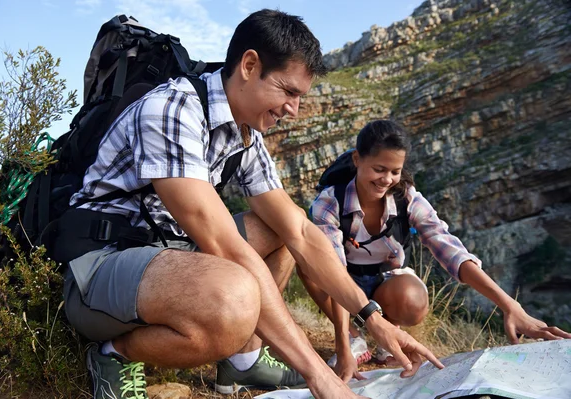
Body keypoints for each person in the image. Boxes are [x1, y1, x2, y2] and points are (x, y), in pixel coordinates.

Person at [62, 11, 444, 399]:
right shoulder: (171, 110)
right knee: (233, 298)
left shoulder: (245, 136)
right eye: (288, 91)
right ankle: (116, 355)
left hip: (167, 257)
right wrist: (318, 374)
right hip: (100, 268)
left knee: (283, 224)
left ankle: (243, 360)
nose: (293, 108)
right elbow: (226, 247)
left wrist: (371, 318)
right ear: (249, 65)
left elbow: (300, 232)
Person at [306, 119, 571, 382]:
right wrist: (342, 346)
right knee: (309, 265)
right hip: (343, 280)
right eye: (379, 169)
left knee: (412, 299)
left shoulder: (406, 197)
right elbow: (333, 271)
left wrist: (510, 306)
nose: (387, 179)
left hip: (383, 280)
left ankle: (390, 333)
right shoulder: (330, 203)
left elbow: (446, 245)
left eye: (395, 171)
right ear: (357, 159)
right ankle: (354, 338)